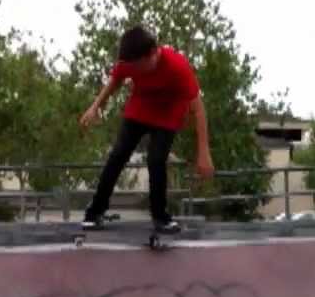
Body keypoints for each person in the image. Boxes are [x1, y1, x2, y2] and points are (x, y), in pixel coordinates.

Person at [79, 26, 215, 232]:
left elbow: (199, 110)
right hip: (140, 108)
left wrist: (203, 153)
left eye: (137, 66)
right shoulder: (130, 62)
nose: (133, 71)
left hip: (169, 113)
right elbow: (115, 81)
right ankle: (95, 211)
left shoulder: (177, 66)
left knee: (156, 160)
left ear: (152, 54)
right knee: (118, 154)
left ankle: (160, 217)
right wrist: (95, 106)